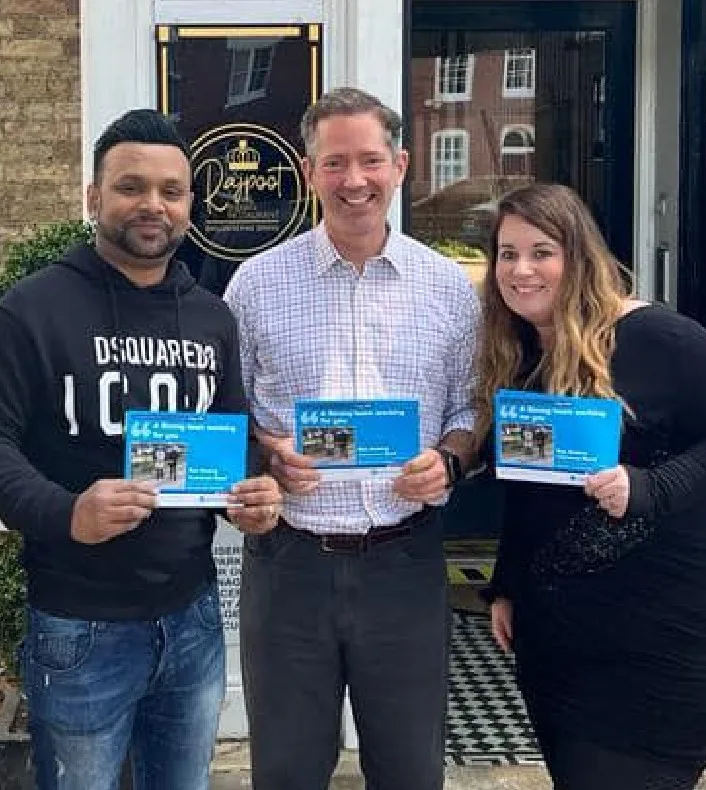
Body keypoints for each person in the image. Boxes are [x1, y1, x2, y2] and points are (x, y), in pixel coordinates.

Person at [0, 109, 283, 790]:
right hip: (78, 624)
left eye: (170, 190)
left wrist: (249, 495)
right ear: (93, 197)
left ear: (190, 206)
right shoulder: (34, 309)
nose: (152, 205)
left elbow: (228, 440)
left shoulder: (210, 317)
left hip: (191, 617)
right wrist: (64, 510)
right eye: (131, 186)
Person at [223, 87, 480, 790]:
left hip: (403, 563)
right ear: (309, 173)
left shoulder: (448, 288)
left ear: (399, 165)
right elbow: (226, 412)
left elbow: (469, 411)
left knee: (407, 770)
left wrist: (448, 463)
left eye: (370, 160)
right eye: (335, 163)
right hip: (289, 566)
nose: (354, 180)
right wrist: (267, 455)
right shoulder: (254, 285)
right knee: (285, 769)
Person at [479, 183, 706, 790]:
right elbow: (531, 492)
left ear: (579, 256)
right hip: (560, 645)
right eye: (507, 255)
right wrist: (507, 582)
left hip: (656, 643)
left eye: (541, 252)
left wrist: (652, 487)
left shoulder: (655, 338)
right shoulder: (522, 354)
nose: (521, 269)